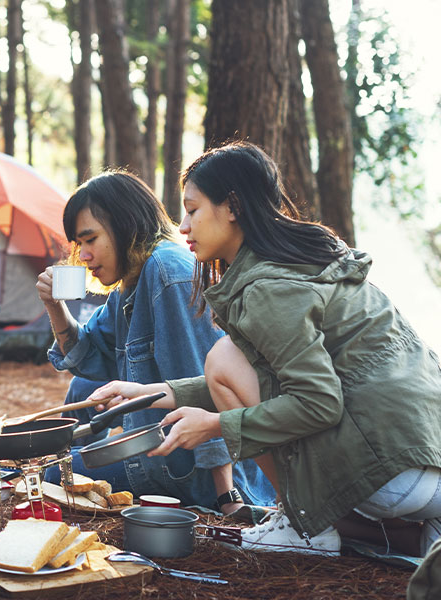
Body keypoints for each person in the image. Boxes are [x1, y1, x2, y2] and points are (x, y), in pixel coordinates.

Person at [94, 141, 441, 556]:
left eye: (192, 209)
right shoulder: (299, 261)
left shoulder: (268, 289)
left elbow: (318, 404)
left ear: (233, 206)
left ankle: (304, 526)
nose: (182, 226)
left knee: (222, 357)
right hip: (421, 458)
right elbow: (266, 377)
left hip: (391, 473)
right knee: (227, 360)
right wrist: (152, 395)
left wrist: (215, 425)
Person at [37, 171, 274, 520]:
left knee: (53, 478)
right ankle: (70, 467)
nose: (84, 256)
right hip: (160, 443)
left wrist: (226, 496)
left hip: (187, 466)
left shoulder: (167, 273)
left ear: (124, 225)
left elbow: (206, 383)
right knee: (83, 388)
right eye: (78, 245)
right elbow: (86, 357)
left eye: (91, 240)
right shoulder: (131, 283)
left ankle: (65, 473)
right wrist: (55, 306)